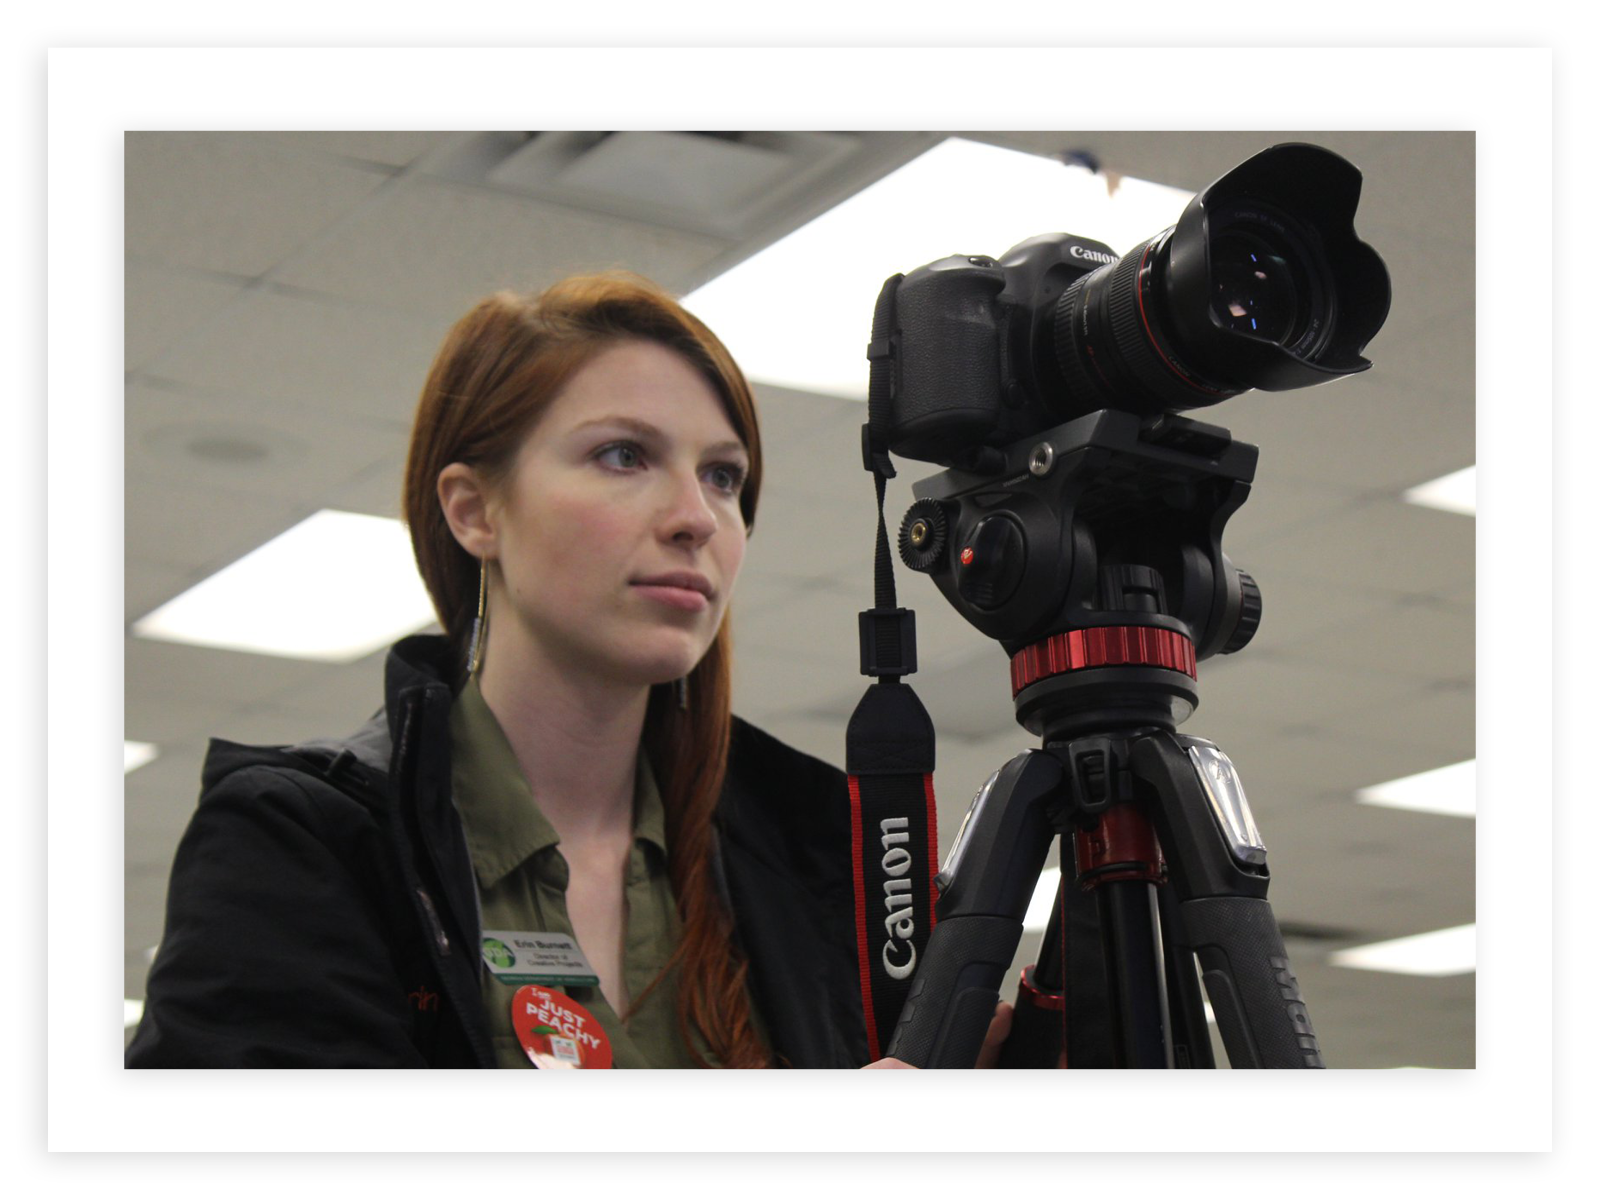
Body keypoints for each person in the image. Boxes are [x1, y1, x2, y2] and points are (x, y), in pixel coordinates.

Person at [126, 271, 1010, 1069]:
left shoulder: (817, 863)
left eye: (723, 476)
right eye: (623, 455)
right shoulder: (304, 845)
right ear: (474, 511)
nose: (697, 517)